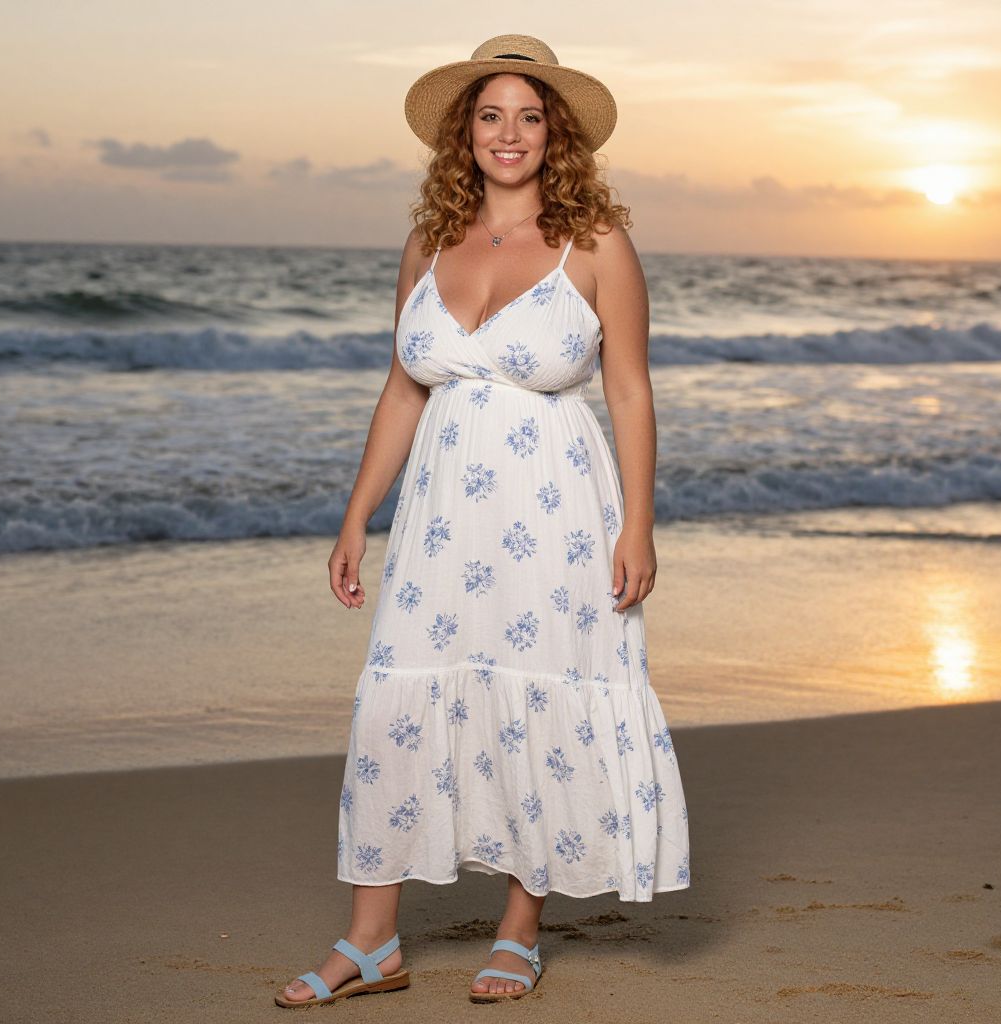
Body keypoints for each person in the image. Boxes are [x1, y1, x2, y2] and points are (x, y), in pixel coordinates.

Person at [275, 32, 690, 1008]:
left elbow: (629, 393)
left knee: (535, 695)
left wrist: (637, 526)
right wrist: (353, 517)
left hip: (554, 511)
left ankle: (520, 924)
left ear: (557, 134)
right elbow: (402, 390)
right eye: (491, 114)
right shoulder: (427, 243)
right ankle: (371, 941)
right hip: (437, 518)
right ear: (465, 132)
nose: (509, 133)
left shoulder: (596, 245)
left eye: (530, 115)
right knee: (394, 696)